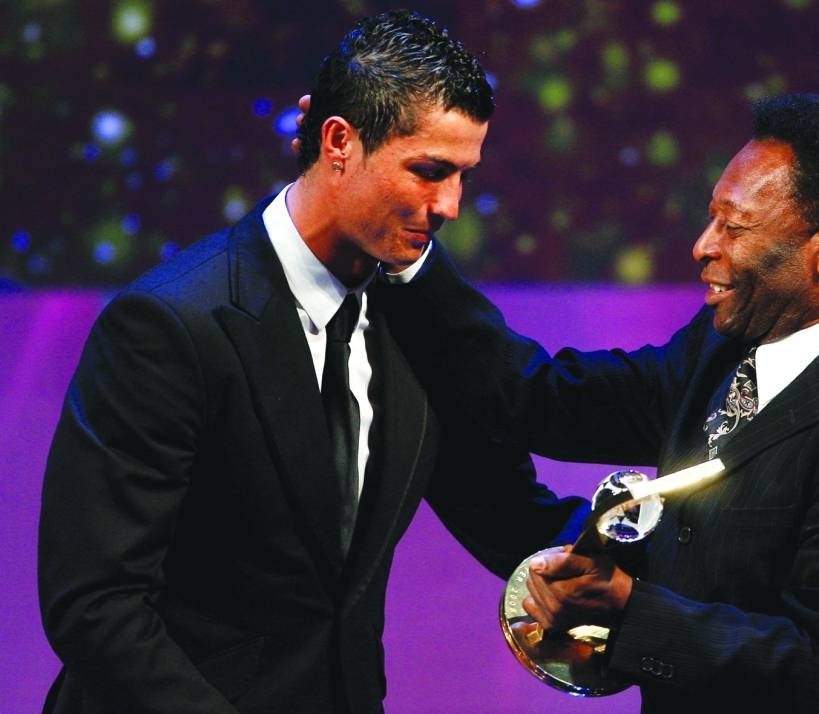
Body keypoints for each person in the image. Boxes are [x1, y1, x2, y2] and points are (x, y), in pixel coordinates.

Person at [38, 11, 586, 713]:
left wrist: (668, 563)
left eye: (463, 176)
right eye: (428, 171)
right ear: (338, 142)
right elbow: (97, 606)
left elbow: (505, 513)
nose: (449, 205)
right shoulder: (170, 326)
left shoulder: (419, 321)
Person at [377, 94, 819, 711]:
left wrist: (636, 612)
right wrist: (405, 258)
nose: (702, 246)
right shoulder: (724, 343)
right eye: (710, 217)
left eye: (733, 226)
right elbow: (545, 399)